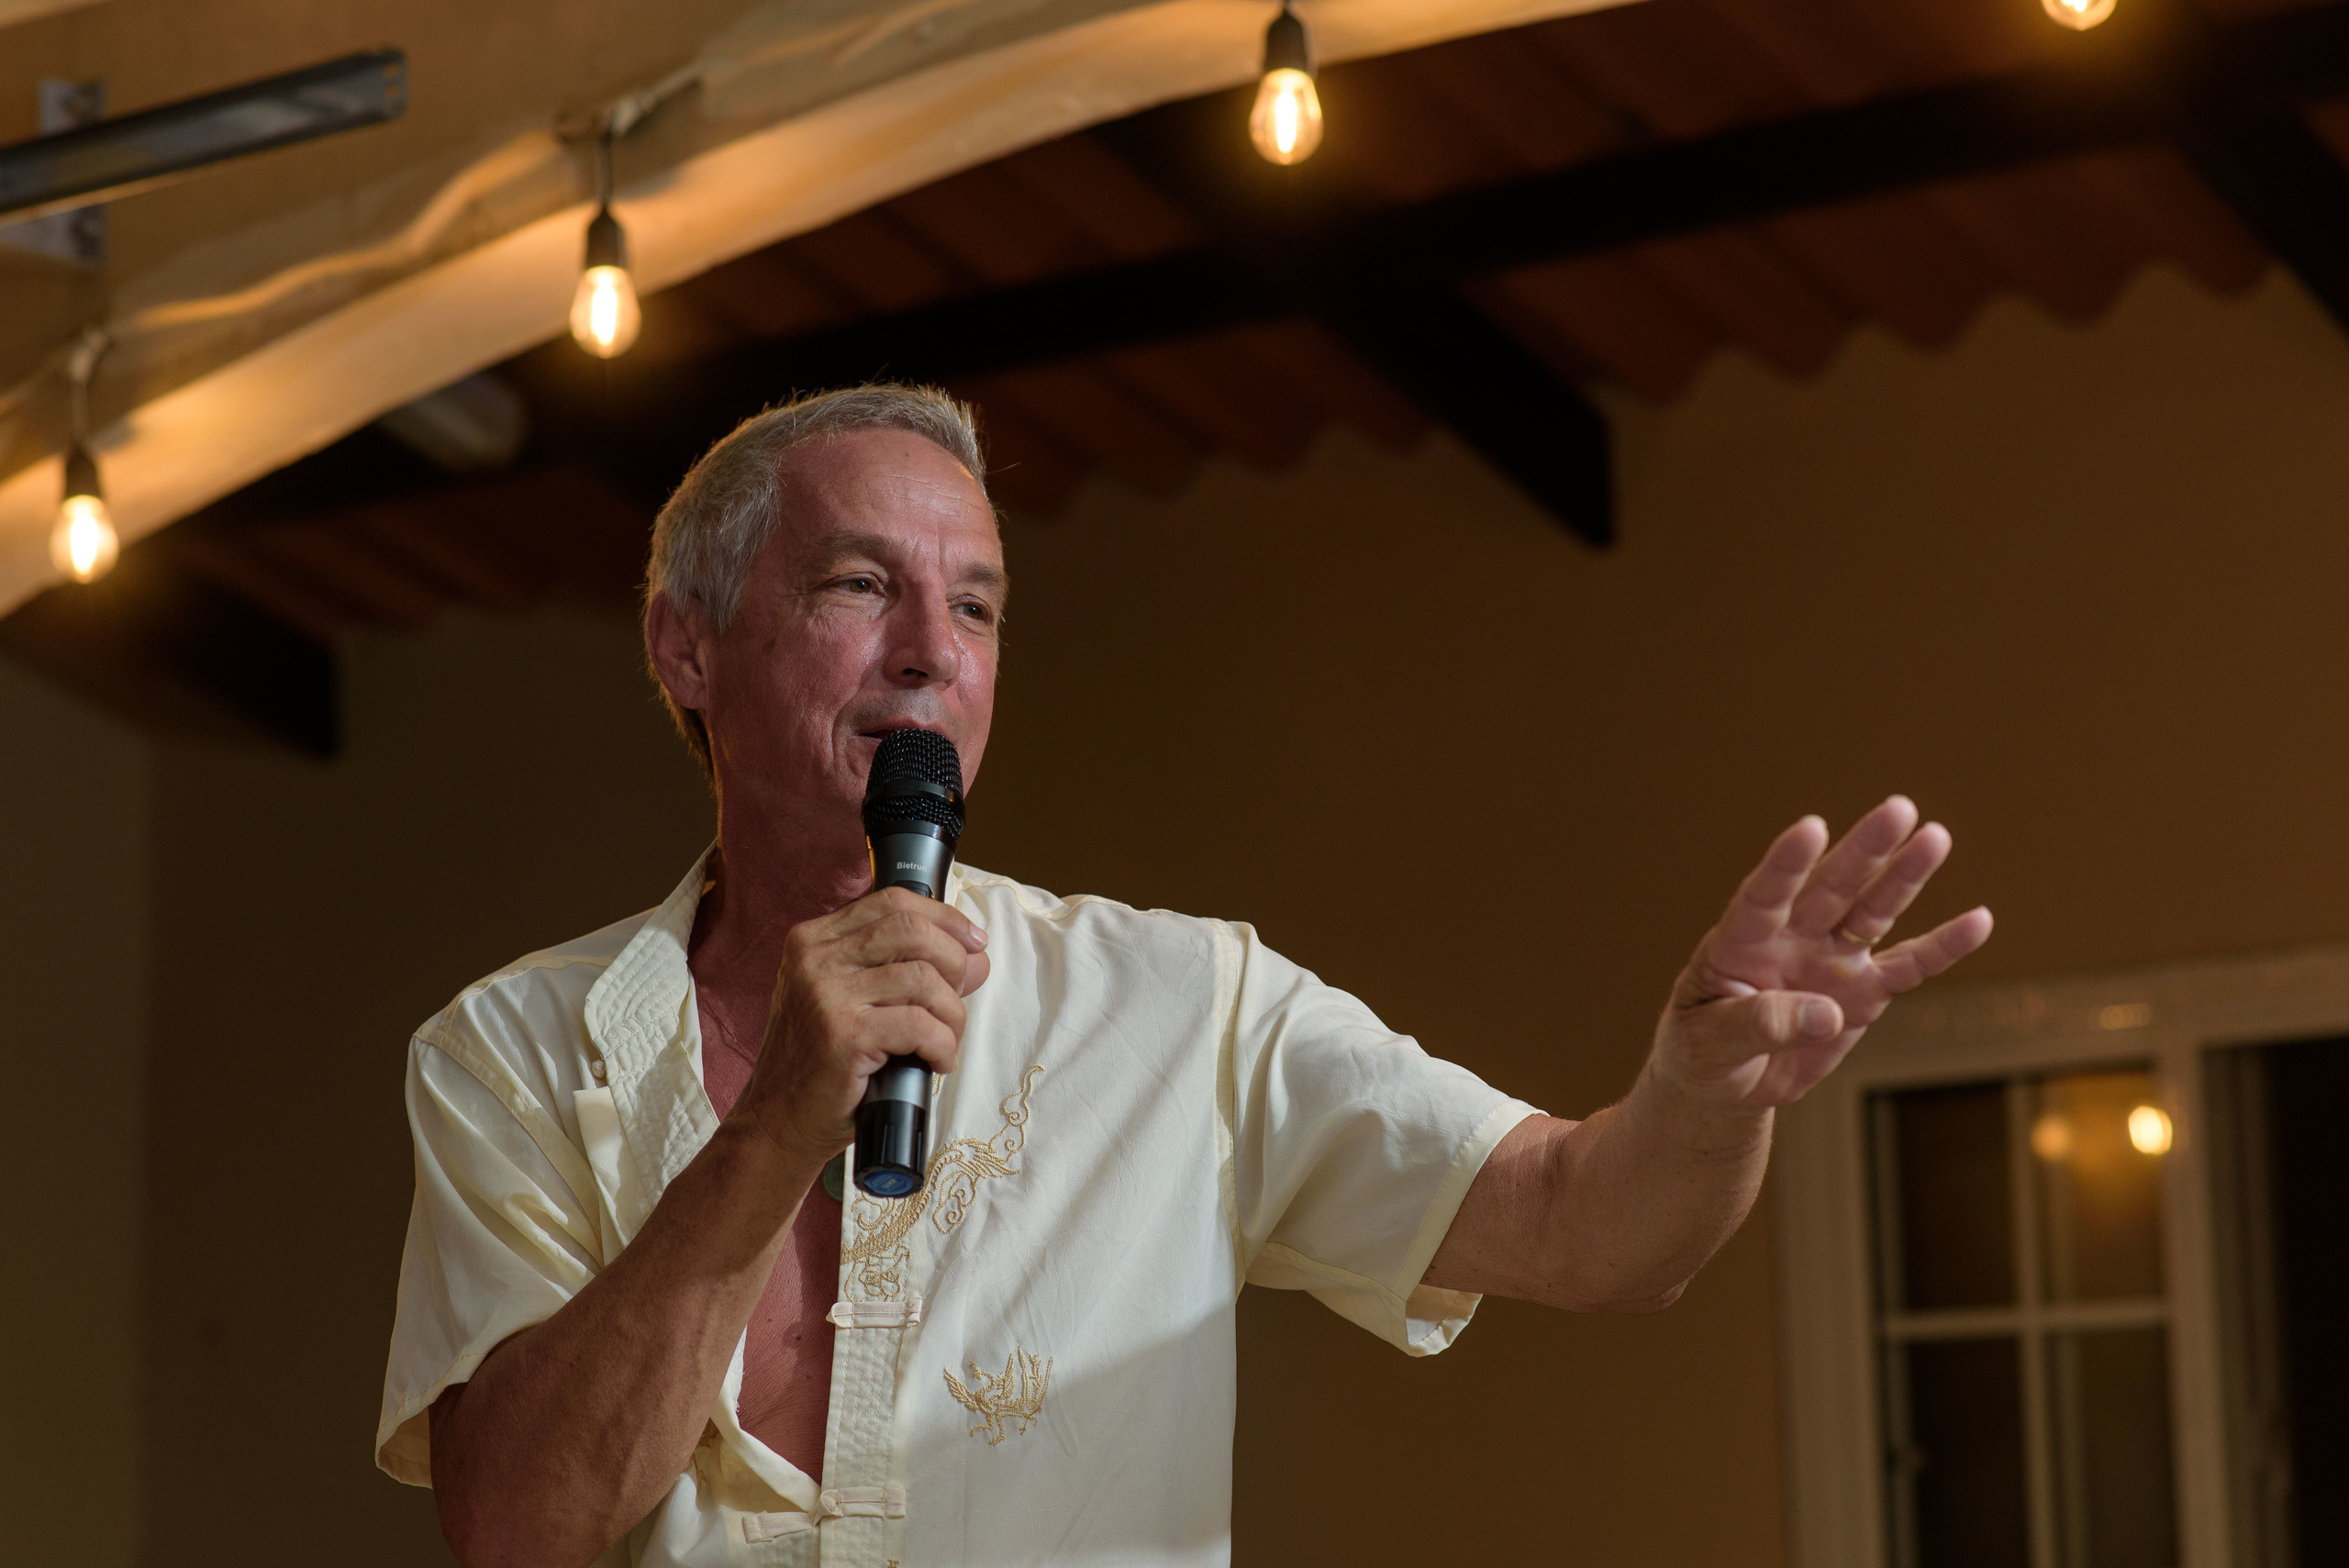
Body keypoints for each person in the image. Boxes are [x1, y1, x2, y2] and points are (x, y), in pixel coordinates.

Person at [374, 384, 1992, 1568]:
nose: (935, 648)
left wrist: (1706, 1099)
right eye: (862, 585)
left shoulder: (1184, 1004)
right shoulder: (515, 1049)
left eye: (981, 604)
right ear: (687, 649)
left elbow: (1593, 1226)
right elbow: (520, 1528)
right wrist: (773, 1128)